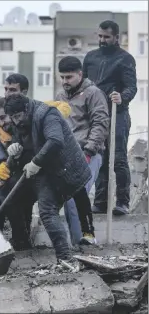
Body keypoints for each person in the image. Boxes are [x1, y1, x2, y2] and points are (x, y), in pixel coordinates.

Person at [5, 93, 91, 270]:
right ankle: (23, 245)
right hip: (40, 172)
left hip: (62, 170)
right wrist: (13, 155)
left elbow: (55, 141)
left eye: (18, 116)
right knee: (11, 199)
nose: (16, 121)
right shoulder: (18, 124)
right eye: (12, 118)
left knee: (47, 210)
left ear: (27, 109)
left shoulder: (47, 114)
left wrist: (35, 162)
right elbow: (14, 163)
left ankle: (65, 259)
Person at [83, 20, 137, 216]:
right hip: (96, 116)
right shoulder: (90, 57)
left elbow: (132, 86)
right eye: (100, 36)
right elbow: (84, 85)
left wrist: (122, 97)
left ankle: (122, 202)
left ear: (116, 37)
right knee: (100, 157)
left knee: (118, 159)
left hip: (118, 114)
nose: (102, 40)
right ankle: (100, 201)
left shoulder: (125, 59)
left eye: (106, 37)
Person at [56, 56, 110, 245]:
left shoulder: (93, 93)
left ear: (80, 74)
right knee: (66, 199)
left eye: (69, 77)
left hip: (89, 154)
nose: (64, 82)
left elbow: (101, 124)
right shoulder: (60, 97)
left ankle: (84, 241)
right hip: (65, 157)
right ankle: (77, 244)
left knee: (74, 196)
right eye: (62, 77)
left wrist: (88, 151)